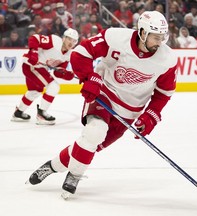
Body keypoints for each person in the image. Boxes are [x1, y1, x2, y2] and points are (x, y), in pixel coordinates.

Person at [27, 10, 178, 199]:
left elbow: (164, 93)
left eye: (162, 37)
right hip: (105, 94)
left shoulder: (168, 59)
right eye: (156, 37)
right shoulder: (115, 38)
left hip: (129, 112)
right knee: (94, 132)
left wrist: (151, 115)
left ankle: (51, 166)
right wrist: (89, 77)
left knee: (89, 146)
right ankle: (74, 176)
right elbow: (81, 53)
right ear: (142, 32)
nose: (160, 42)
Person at [11, 28, 79, 125]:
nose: (71, 43)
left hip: (38, 68)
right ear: (64, 38)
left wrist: (67, 75)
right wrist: (33, 52)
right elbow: (34, 38)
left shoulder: (68, 55)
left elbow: (58, 72)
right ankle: (42, 114)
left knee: (35, 92)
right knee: (54, 86)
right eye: (69, 39)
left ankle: (18, 113)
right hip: (31, 65)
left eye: (74, 41)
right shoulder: (54, 41)